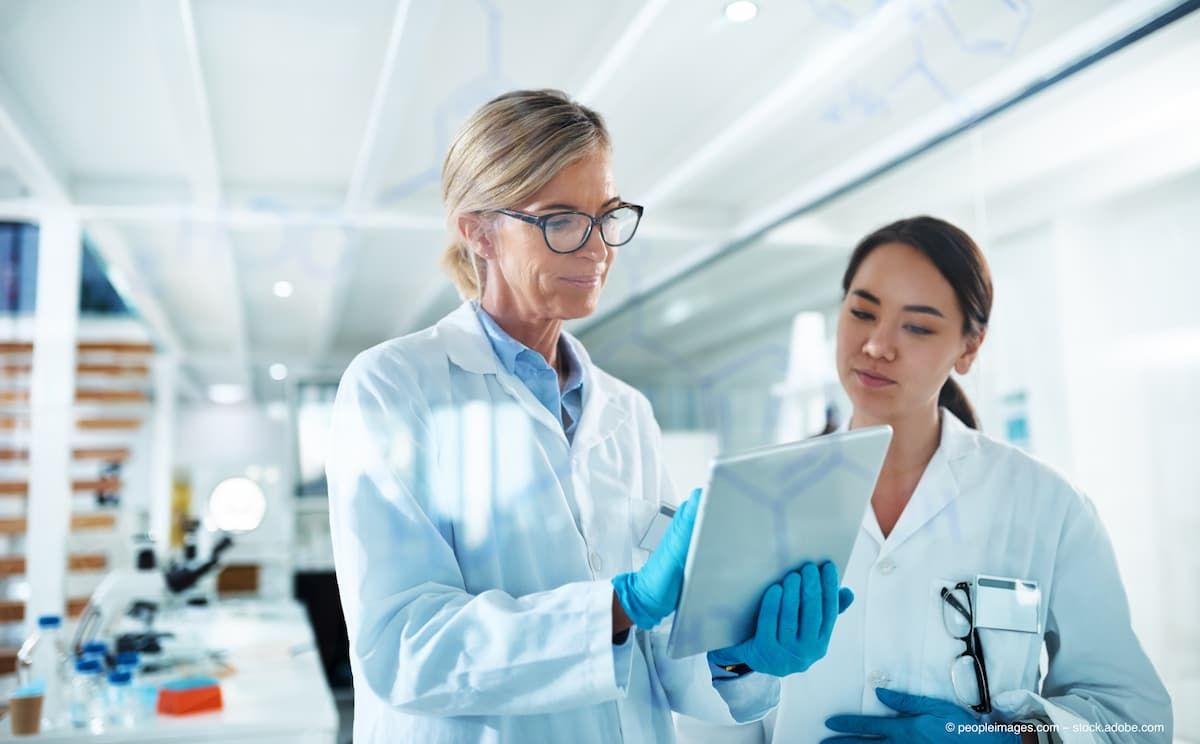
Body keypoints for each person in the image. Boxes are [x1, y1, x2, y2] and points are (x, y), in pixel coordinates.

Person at [326, 89, 850, 744]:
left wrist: (740, 653)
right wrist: (619, 605)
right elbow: (404, 646)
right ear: (478, 230)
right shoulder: (394, 387)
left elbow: (659, 649)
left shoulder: (626, 413)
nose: (598, 247)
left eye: (607, 216)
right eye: (562, 220)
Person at [766, 216, 1173, 744]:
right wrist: (735, 675)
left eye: (917, 326)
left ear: (969, 347)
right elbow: (710, 714)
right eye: (863, 312)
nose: (876, 345)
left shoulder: (1047, 505)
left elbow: (1140, 721)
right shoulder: (768, 496)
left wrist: (1009, 741)